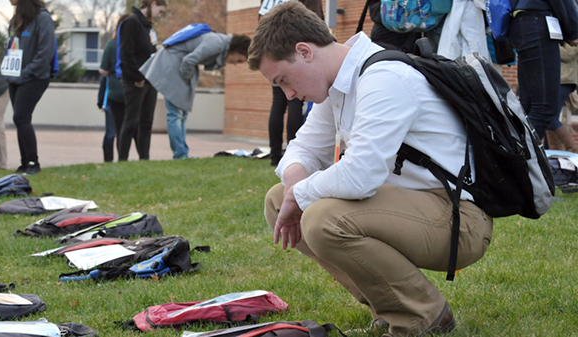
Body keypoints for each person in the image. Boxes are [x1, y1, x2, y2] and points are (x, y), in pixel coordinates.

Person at [248, 2, 493, 336]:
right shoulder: (339, 82)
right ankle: (387, 307)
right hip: (411, 207)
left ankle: (423, 315)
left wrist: (301, 193)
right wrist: (294, 186)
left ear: (305, 52)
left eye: (283, 80)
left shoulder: (383, 78)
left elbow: (360, 177)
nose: (289, 94)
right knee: (279, 199)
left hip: (458, 220)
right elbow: (303, 148)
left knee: (322, 219)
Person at [140, 32, 251, 159]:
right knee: (175, 115)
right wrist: (186, 79)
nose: (235, 63)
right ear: (236, 50)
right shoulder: (217, 43)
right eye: (239, 59)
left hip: (176, 65)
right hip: (174, 66)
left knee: (181, 114)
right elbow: (189, 60)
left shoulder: (219, 42)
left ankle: (182, 153)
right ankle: (180, 155)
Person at [262, 0, 324, 167]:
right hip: (294, 50)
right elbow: (316, 19)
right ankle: (293, 156)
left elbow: (261, 19)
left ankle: (279, 155)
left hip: (273, 50)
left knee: (279, 104)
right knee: (294, 102)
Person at [508, 0, 578, 141]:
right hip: (539, 25)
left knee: (528, 106)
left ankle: (517, 155)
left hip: (523, 24)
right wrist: (574, 28)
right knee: (545, 108)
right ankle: (519, 159)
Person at [3, 0, 56, 175]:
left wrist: (25, 73)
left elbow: (45, 53)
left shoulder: (43, 19)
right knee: (20, 119)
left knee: (21, 116)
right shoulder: (16, 19)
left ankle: (33, 163)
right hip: (14, 77)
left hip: (34, 77)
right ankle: (25, 163)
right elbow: (11, 48)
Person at [117, 0, 166, 161]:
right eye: (160, 10)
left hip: (150, 80)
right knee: (131, 122)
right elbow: (126, 54)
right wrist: (137, 78)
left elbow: (150, 50)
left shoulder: (148, 26)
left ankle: (144, 159)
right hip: (135, 81)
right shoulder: (131, 23)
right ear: (151, 4)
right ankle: (122, 159)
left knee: (146, 123)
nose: (160, 15)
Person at [99, 14, 129, 163]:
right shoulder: (134, 45)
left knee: (111, 131)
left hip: (113, 93)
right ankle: (122, 159)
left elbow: (103, 70)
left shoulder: (112, 45)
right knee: (124, 130)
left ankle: (108, 160)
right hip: (130, 94)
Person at [546, 42, 578, 152]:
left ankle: (573, 148)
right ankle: (555, 151)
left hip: (565, 81)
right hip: (554, 80)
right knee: (548, 117)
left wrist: (550, 44)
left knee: (549, 116)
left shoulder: (571, 39)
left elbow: (567, 54)